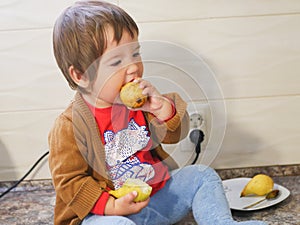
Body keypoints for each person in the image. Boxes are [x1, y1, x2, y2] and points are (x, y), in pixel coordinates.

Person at [48, 1, 268, 225]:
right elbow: (69, 181)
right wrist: (110, 205)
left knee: (201, 175)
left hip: (157, 202)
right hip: (105, 215)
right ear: (80, 75)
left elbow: (174, 134)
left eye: (135, 54)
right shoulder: (69, 125)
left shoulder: (139, 102)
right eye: (117, 61)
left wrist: (163, 109)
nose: (133, 66)